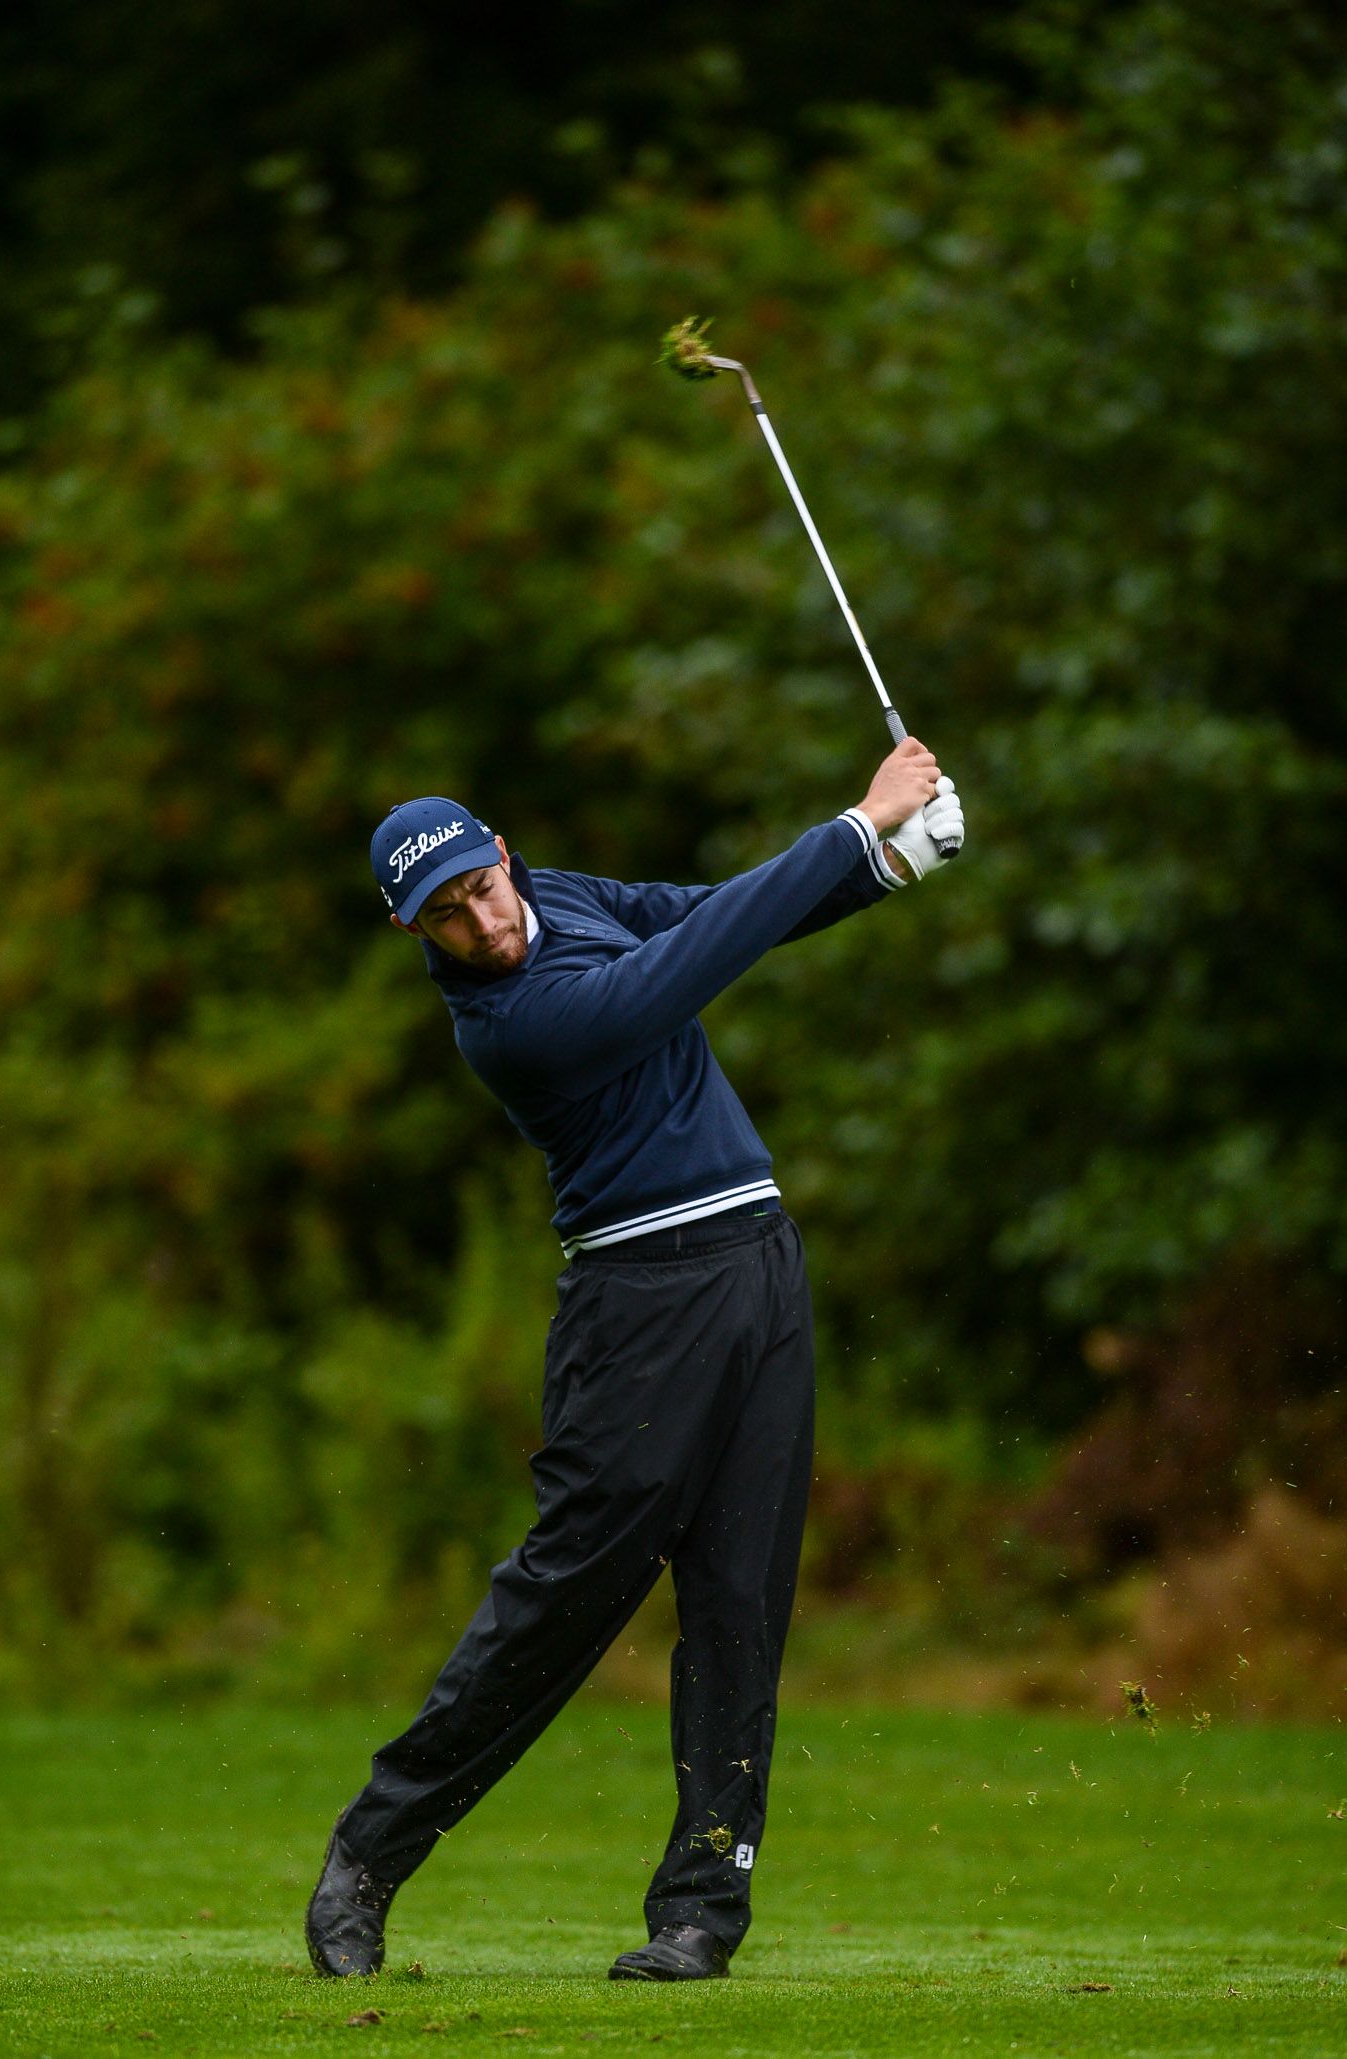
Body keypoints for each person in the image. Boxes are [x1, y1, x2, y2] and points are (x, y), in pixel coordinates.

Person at [305, 738, 965, 1982]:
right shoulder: (508, 1025)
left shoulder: (565, 897)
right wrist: (855, 824)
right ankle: (372, 1849)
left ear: (504, 856)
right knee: (571, 1592)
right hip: (639, 1302)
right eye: (447, 918)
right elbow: (690, 964)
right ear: (415, 933)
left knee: (740, 1597)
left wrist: (887, 865)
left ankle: (701, 1910)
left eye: (483, 888)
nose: (485, 925)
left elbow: (711, 908)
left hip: (760, 1264)